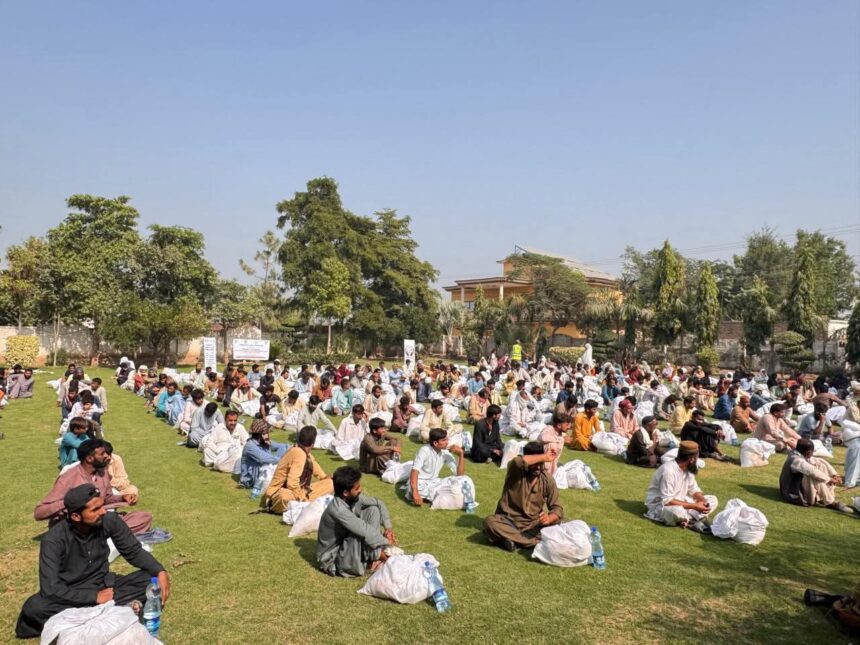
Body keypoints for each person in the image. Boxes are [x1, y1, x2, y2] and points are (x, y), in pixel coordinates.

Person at [15, 484, 170, 639]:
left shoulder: (109, 521)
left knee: (149, 580)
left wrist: (159, 570)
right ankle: (111, 611)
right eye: (95, 510)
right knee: (33, 607)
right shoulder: (53, 540)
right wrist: (94, 597)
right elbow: (50, 588)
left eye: (102, 506)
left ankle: (95, 614)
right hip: (70, 594)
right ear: (76, 516)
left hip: (104, 585)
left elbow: (133, 551)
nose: (103, 511)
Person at [35, 439, 153, 535]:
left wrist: (123, 498)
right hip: (76, 524)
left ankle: (104, 535)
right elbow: (39, 513)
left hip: (98, 519)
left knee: (144, 517)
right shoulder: (69, 477)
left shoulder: (103, 472)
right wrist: (71, 502)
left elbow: (106, 498)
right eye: (102, 454)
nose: (107, 456)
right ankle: (108, 535)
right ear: (90, 458)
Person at [316, 466, 397, 577]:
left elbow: (378, 503)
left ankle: (374, 555)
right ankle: (380, 557)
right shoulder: (338, 510)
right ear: (345, 492)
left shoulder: (353, 498)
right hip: (334, 560)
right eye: (357, 488)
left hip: (347, 547)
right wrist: (387, 541)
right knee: (360, 532)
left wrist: (388, 529)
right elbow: (363, 530)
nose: (361, 490)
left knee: (373, 509)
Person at [483, 442, 563, 551]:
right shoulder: (516, 471)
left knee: (559, 523)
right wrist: (543, 456)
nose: (538, 467)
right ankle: (531, 542)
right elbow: (517, 461)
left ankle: (510, 540)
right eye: (535, 462)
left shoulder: (547, 479)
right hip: (508, 521)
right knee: (490, 522)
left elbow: (557, 508)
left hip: (532, 525)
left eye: (541, 463)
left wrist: (549, 518)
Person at [644, 441, 718, 532]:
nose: (697, 460)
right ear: (691, 459)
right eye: (696, 457)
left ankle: (686, 519)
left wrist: (702, 500)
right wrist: (695, 506)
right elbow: (667, 501)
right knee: (675, 511)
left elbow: (693, 489)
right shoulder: (669, 471)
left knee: (712, 500)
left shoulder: (688, 469)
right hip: (661, 505)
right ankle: (691, 520)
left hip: (682, 502)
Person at [264, 426, 333, 513]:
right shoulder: (298, 453)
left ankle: (302, 503)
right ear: (313, 443)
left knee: (330, 483)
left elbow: (321, 475)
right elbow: (292, 483)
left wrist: (328, 478)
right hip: (279, 493)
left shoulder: (305, 454)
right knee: (285, 496)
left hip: (300, 491)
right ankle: (303, 504)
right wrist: (302, 498)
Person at [779, 438, 856, 514]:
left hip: (797, 488)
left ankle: (827, 497)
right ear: (808, 452)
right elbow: (812, 471)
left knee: (820, 464)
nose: (812, 454)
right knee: (814, 476)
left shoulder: (799, 454)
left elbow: (819, 460)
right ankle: (831, 502)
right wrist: (829, 479)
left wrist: (834, 474)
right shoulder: (796, 460)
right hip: (792, 493)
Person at [408, 428, 466, 506]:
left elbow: (460, 476)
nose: (447, 442)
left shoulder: (445, 452)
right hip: (420, 483)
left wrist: (461, 455)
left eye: (447, 439)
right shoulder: (424, 450)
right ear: (435, 443)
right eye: (443, 440)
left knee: (460, 482)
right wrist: (415, 491)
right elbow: (415, 471)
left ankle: (436, 496)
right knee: (449, 492)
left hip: (434, 482)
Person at [239, 419, 289, 488]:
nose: (268, 434)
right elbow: (263, 458)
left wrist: (293, 448)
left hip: (264, 472)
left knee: (284, 449)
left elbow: (283, 446)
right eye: (266, 433)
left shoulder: (264, 442)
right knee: (277, 462)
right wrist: (284, 461)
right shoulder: (250, 445)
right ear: (260, 435)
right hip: (253, 479)